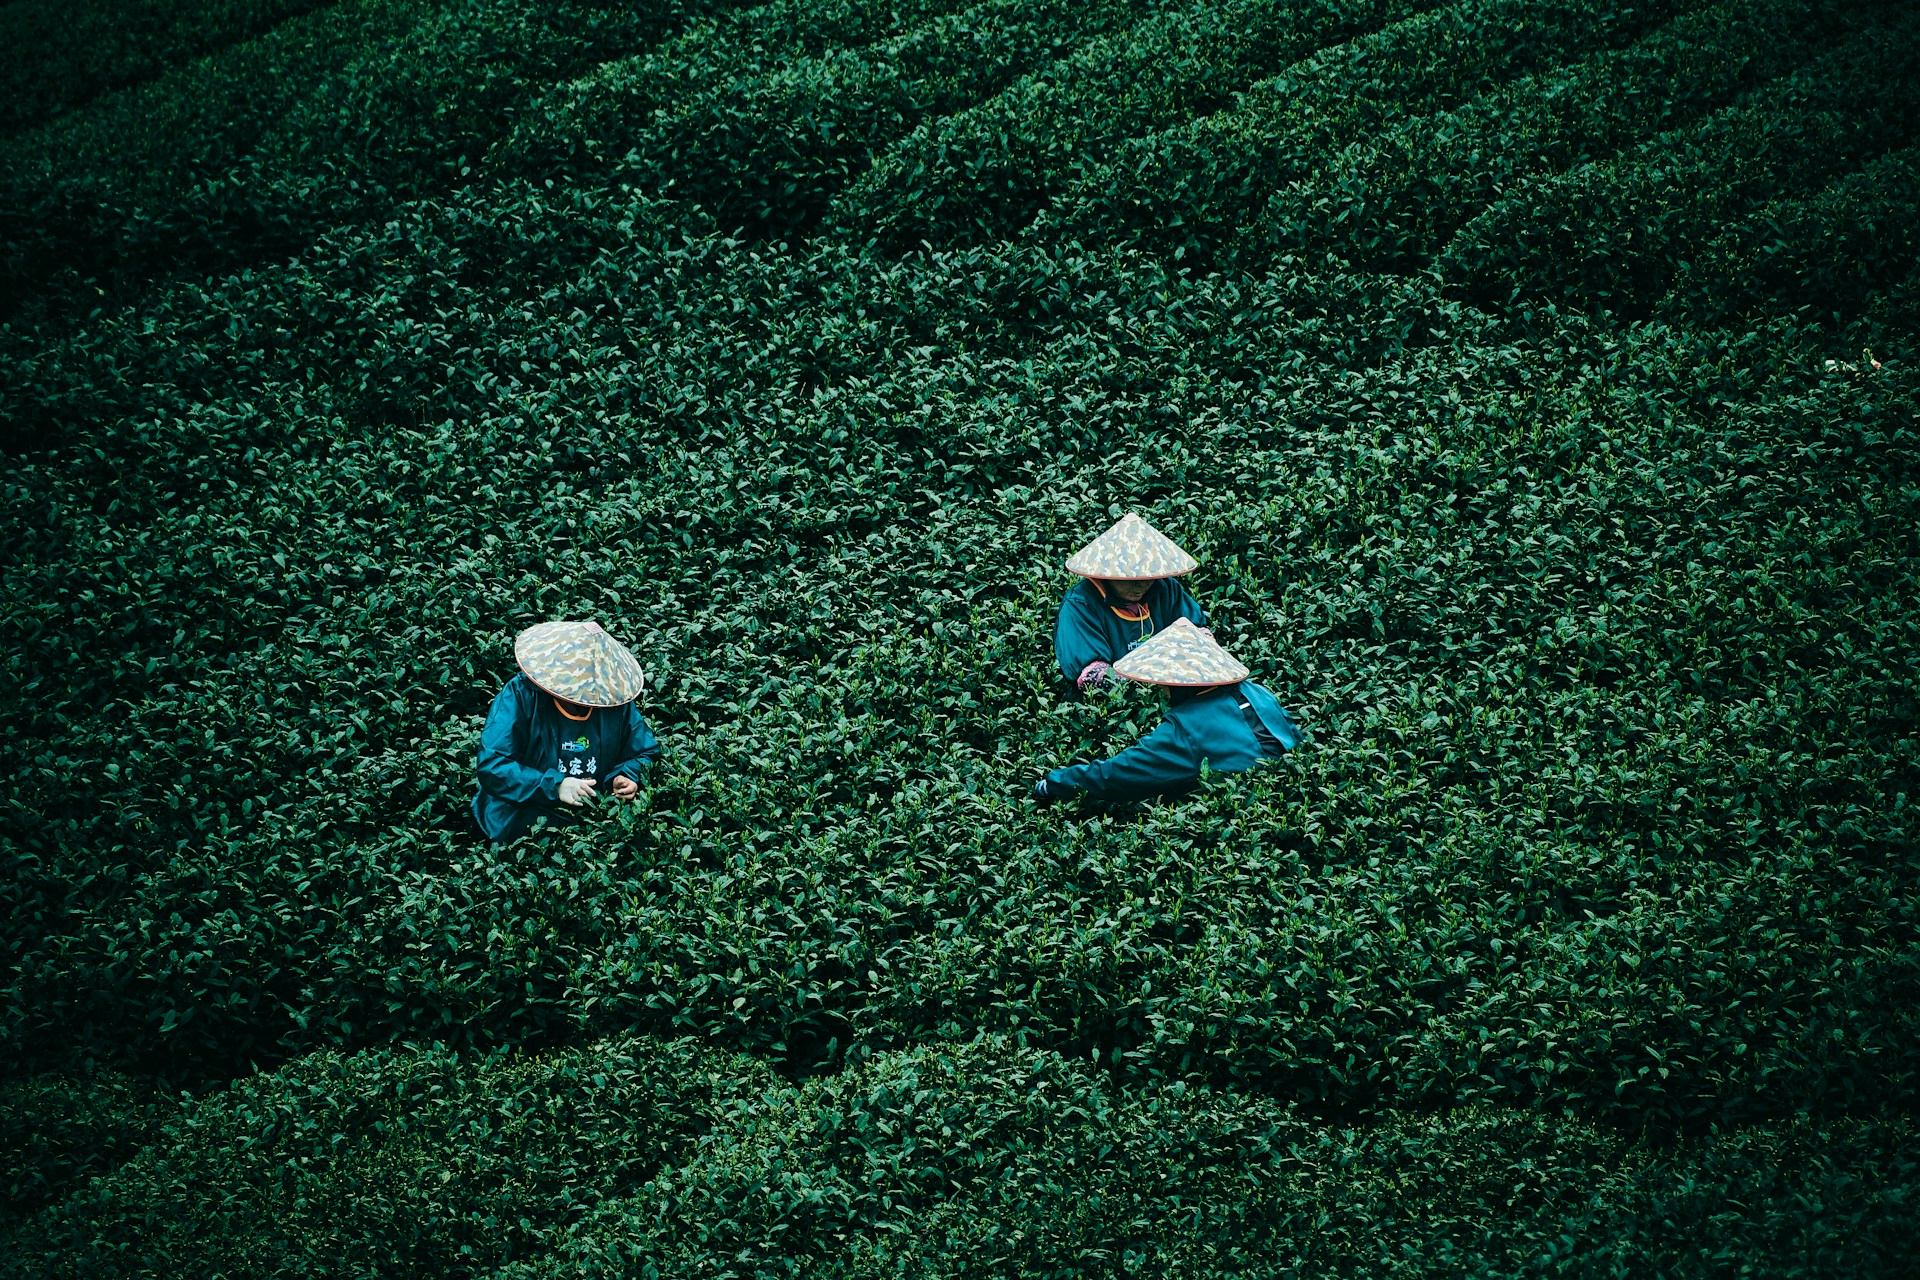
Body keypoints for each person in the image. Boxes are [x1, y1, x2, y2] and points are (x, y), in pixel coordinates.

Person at [1033, 618, 1300, 806]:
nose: (1161, 689)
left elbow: (1119, 774)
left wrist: (1055, 783)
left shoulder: (1185, 727)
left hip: (1243, 806)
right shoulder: (1256, 691)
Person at [472, 620, 660, 841]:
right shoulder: (522, 694)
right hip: (518, 827)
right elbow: (493, 765)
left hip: (592, 829)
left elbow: (645, 751)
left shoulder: (613, 699)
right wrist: (555, 785)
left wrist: (626, 776)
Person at [1054, 513, 1208, 692]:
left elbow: (1199, 636)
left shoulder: (1166, 589)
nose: (1140, 585)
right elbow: (1093, 676)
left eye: (1147, 576)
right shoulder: (1080, 604)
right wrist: (1155, 683)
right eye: (1130, 578)